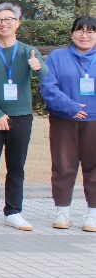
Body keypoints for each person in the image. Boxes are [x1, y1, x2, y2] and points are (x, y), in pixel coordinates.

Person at [0, 3, 47, 231]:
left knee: (16, 166)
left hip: (22, 115)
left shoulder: (28, 51)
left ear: (17, 23)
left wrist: (38, 67)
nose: (3, 24)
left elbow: (44, 73)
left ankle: (14, 211)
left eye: (8, 19)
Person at [39, 15, 96, 232]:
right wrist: (70, 106)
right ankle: (62, 211)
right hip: (64, 119)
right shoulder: (57, 56)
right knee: (63, 166)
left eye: (90, 31)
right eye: (80, 30)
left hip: (94, 120)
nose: (84, 35)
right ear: (72, 33)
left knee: (94, 167)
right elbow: (48, 86)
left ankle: (93, 214)